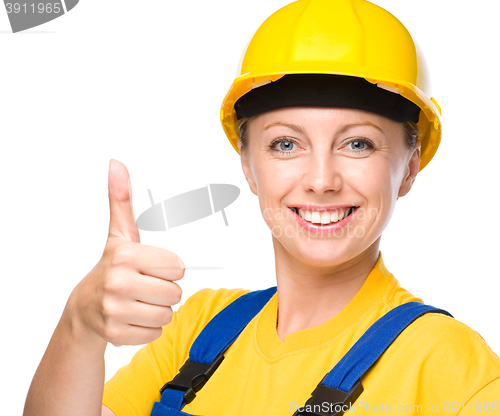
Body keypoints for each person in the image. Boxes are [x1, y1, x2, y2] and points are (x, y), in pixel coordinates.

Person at [23, 0, 500, 415]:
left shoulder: (451, 369)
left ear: (410, 167)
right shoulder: (199, 333)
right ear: (248, 167)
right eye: (286, 144)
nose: (320, 180)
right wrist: (79, 326)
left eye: (357, 144)